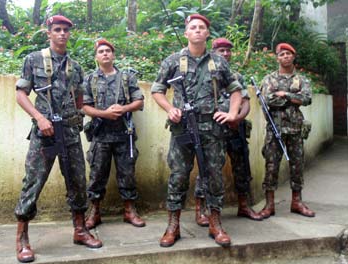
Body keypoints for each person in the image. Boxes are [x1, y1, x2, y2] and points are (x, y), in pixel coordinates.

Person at [14, 15, 102, 263]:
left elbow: (80, 101)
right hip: (45, 134)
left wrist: (77, 116)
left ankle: (80, 230)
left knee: (77, 181)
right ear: (49, 33)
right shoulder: (33, 60)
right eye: (57, 29)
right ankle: (22, 237)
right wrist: (40, 118)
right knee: (33, 182)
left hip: (71, 134)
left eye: (65, 30)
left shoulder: (76, 67)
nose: (62, 33)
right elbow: (21, 94)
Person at [151, 14, 242, 247]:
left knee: (213, 176)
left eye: (202, 27)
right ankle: (173, 225)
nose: (198, 30)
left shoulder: (219, 62)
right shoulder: (173, 61)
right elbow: (157, 90)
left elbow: (235, 90)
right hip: (183, 128)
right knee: (178, 175)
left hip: (211, 129)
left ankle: (215, 223)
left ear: (207, 33)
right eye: (193, 27)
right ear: (186, 33)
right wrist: (170, 109)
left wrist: (232, 113)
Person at [194, 38, 263, 225]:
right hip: (213, 131)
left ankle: (244, 206)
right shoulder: (205, 74)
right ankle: (200, 210)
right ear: (214, 52)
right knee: (207, 170)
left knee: (242, 168)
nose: (225, 54)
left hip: (235, 129)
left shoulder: (237, 77)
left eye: (228, 51)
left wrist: (237, 118)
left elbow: (246, 103)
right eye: (221, 50)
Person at [83, 39, 145, 230]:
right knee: (97, 175)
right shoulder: (89, 79)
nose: (105, 54)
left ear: (113, 55)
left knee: (127, 174)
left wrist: (123, 108)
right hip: (100, 135)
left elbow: (139, 102)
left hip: (123, 135)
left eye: (108, 50)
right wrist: (104, 114)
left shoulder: (126, 78)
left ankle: (129, 211)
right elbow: (84, 106)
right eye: (101, 51)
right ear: (96, 56)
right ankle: (94, 212)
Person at [258, 43, 315, 219]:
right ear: (277, 58)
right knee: (271, 166)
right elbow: (267, 100)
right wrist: (291, 99)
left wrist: (285, 95)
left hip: (295, 130)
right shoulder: (269, 79)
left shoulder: (302, 80)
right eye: (282, 54)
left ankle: (297, 202)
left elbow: (306, 99)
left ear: (293, 56)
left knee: (297, 166)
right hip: (275, 129)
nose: (285, 57)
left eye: (288, 54)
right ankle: (269, 205)